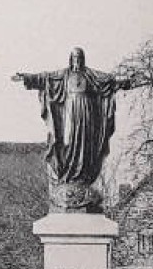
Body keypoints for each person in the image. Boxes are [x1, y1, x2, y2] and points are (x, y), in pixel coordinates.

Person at [13, 47, 141, 211]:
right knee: (68, 141)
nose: (77, 61)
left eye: (79, 57)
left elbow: (108, 81)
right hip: (70, 112)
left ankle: (82, 177)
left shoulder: (90, 75)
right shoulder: (64, 75)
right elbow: (45, 77)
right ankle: (69, 175)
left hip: (87, 113)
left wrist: (126, 81)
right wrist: (26, 77)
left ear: (83, 59)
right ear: (70, 59)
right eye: (74, 57)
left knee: (85, 145)